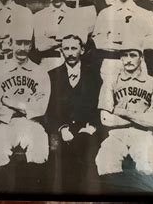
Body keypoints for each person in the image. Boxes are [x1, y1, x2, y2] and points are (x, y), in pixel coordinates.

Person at [95, 39, 153, 191]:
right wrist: (142, 117)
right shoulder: (110, 82)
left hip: (144, 135)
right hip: (116, 134)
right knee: (105, 162)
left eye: (133, 55)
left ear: (142, 58)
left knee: (149, 164)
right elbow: (105, 119)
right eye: (124, 55)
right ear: (120, 59)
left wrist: (121, 111)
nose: (128, 59)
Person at [0, 24, 51, 166]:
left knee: (39, 153)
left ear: (31, 46)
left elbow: (40, 109)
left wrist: (8, 101)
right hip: (5, 123)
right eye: (18, 43)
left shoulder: (40, 72)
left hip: (31, 123)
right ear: (10, 44)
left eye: (26, 43)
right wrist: (27, 105)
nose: (22, 48)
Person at [46, 34, 101, 191]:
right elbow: (49, 110)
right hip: (62, 130)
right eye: (66, 49)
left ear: (82, 50)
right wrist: (62, 128)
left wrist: (92, 127)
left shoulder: (94, 75)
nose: (70, 53)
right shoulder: (52, 75)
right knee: (64, 167)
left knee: (89, 167)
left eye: (74, 48)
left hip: (88, 129)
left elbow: (100, 105)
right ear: (61, 51)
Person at [92, 0, 153, 84]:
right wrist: (133, 43)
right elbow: (98, 41)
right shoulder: (105, 13)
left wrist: (123, 43)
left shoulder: (145, 14)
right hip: (112, 64)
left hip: (137, 64)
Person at [33, 0, 92, 71]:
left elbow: (82, 41)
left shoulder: (76, 14)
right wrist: (68, 36)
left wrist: (53, 37)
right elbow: (40, 46)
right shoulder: (39, 16)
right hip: (48, 62)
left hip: (72, 62)